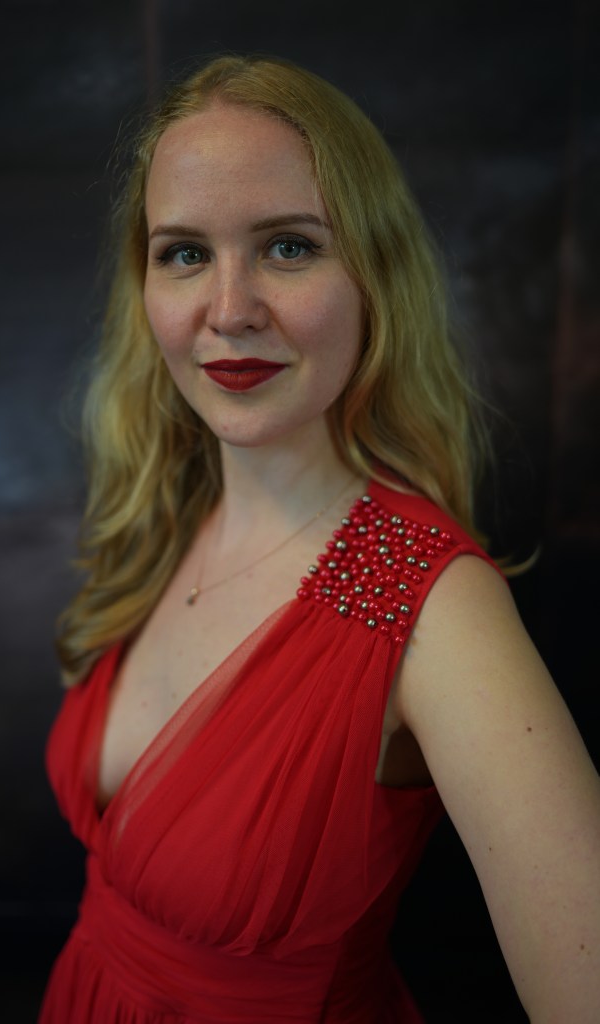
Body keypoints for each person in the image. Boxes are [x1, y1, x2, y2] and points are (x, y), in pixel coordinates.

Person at [40, 55, 600, 1023]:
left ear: (374, 275)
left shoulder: (420, 596)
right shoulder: (161, 518)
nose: (228, 309)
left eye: (288, 247)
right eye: (184, 253)